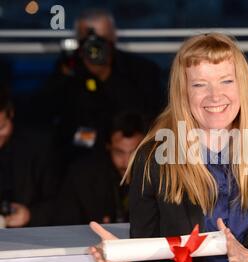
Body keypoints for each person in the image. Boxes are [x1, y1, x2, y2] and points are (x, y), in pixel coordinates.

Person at [89, 33, 248, 262]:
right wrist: (123, 261)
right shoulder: (155, 158)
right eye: (200, 84)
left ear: (243, 87)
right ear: (183, 92)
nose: (215, 95)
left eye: (226, 80)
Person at [38, 8, 163, 168]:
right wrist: (68, 73)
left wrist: (106, 76)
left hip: (132, 156)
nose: (94, 48)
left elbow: (149, 115)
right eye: (87, 41)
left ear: (113, 38)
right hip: (81, 159)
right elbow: (46, 113)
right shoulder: (69, 69)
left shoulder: (141, 70)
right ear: (78, 42)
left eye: (100, 40)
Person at [54, 111, 145, 225]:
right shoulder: (82, 176)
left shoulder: (160, 175)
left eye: (134, 153)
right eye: (119, 152)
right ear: (108, 147)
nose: (127, 162)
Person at [0, 86, 58, 227]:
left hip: (30, 237)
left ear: (11, 114)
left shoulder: (38, 147)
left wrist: (30, 215)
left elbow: (60, 199)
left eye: (0, 128)